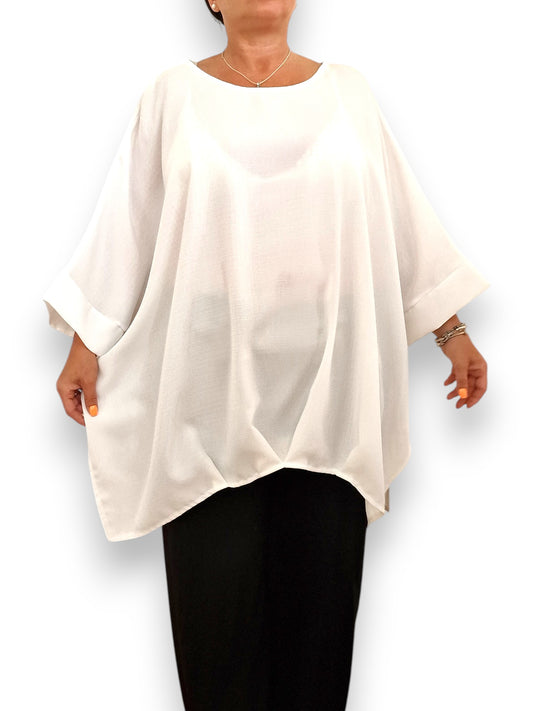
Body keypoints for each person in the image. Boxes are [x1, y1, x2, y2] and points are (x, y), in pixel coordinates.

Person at [42, 1, 490, 709]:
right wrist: (84, 343)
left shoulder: (348, 92)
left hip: (331, 400)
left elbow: (399, 220)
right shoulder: (172, 96)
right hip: (206, 402)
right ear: (212, 0)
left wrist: (450, 331)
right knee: (215, 645)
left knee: (317, 651)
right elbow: (130, 223)